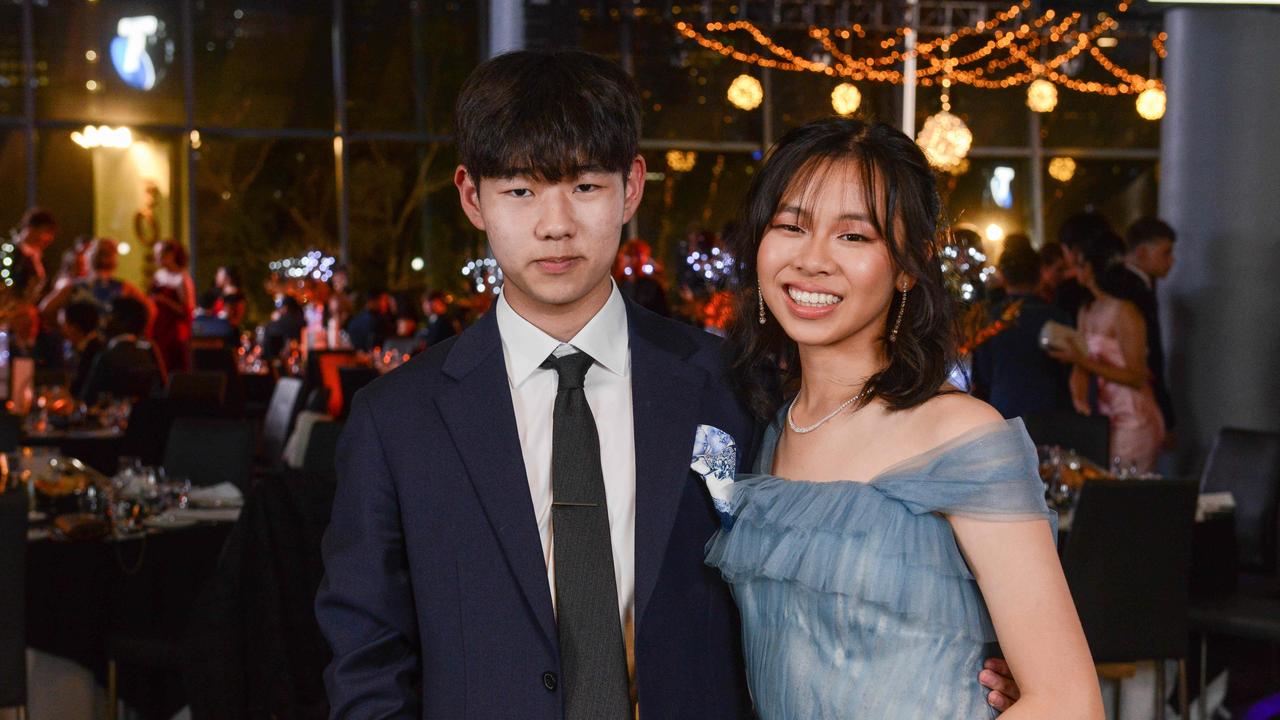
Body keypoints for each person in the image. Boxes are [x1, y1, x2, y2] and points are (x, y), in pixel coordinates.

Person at [316, 50, 1022, 720]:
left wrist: (965, 646)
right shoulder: (398, 420)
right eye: (521, 190)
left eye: (586, 186)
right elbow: (368, 657)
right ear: (473, 197)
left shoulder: (732, 385)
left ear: (632, 187)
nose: (556, 225)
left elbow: (819, 561)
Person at [702, 118, 1101, 718]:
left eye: (854, 237)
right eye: (790, 226)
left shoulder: (959, 433)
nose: (812, 260)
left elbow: (1068, 700)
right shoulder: (769, 432)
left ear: (909, 266)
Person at [1049, 232, 1166, 473]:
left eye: (1078, 264)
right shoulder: (1087, 310)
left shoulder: (1125, 312)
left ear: (1092, 268)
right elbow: (1082, 361)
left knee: (1125, 492)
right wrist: (1078, 395)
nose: (1073, 271)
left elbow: (1137, 376)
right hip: (1104, 414)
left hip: (1133, 415)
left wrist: (1079, 361)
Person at [971, 240, 1075, 419]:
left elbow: (983, 372)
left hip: (1004, 408)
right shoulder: (1056, 316)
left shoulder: (989, 319)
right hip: (1051, 410)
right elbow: (1069, 369)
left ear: (1003, 276)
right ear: (1039, 273)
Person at [1103, 216, 1176, 436]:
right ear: (1142, 251)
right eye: (1166, 252)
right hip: (1132, 403)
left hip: (1105, 400)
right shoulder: (1136, 293)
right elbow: (1151, 356)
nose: (1172, 261)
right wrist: (1166, 415)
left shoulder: (1110, 283)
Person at [40, 238, 152, 327]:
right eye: (102, 253)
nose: (104, 258)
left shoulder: (73, 287)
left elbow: (46, 310)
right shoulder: (74, 287)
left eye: (107, 254)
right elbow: (46, 310)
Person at [80, 296, 166, 405]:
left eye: (109, 314)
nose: (103, 319)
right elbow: (162, 392)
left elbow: (87, 400)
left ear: (122, 321)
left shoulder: (107, 356)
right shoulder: (149, 351)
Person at [149, 239, 196, 373]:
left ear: (170, 255)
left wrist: (164, 301)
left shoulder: (182, 278)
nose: (156, 258)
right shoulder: (158, 276)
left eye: (159, 254)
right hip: (158, 332)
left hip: (174, 334)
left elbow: (187, 311)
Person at [8, 207, 57, 302]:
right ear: (31, 229)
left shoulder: (40, 258)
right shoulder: (12, 253)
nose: (49, 238)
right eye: (47, 232)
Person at [59, 300, 104, 399]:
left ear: (75, 327)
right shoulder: (82, 349)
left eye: (64, 324)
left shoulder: (96, 352)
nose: (62, 330)